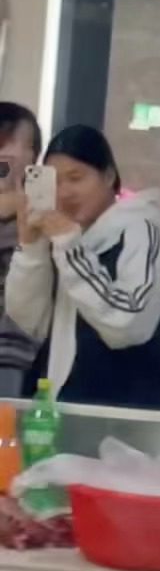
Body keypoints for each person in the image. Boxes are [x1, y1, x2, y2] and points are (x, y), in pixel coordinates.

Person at [6, 125, 160, 409]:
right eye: (55, 182)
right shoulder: (61, 236)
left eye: (76, 178)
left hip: (120, 412)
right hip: (52, 407)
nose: (65, 192)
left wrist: (71, 249)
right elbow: (29, 319)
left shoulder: (139, 229)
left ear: (108, 176)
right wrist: (31, 248)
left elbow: (128, 323)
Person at [0, 103, 43, 390]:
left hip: (14, 353)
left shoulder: (41, 209)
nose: (12, 153)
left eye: (25, 145)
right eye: (5, 141)